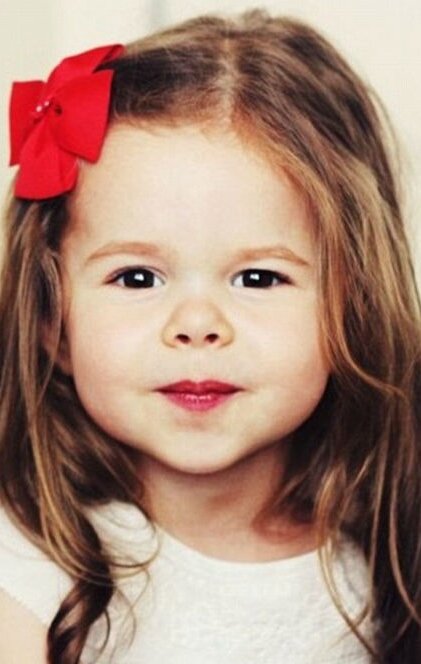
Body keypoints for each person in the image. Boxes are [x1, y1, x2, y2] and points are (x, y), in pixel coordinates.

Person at [0, 8, 420, 664]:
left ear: (353, 304)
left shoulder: (384, 557)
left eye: (258, 277)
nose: (196, 326)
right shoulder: (28, 562)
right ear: (54, 322)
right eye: (137, 277)